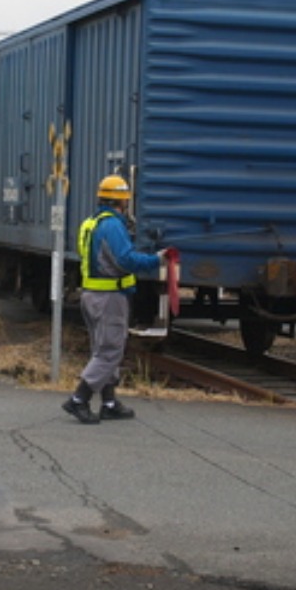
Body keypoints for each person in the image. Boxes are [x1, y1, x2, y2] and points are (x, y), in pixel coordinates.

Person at [62, 174, 171, 425]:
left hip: (91, 294)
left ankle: (109, 403)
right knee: (110, 351)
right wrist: (157, 259)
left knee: (102, 350)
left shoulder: (91, 223)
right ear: (122, 202)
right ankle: (79, 400)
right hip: (109, 297)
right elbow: (126, 260)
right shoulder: (113, 226)